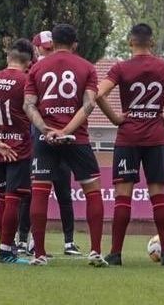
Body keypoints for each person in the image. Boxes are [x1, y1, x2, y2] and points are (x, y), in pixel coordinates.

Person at [22, 23, 108, 267]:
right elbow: (89, 104)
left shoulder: (37, 68)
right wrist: (67, 130)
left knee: (40, 191)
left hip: (45, 138)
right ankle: (95, 251)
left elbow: (28, 105)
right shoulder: (87, 67)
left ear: (54, 42)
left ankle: (38, 253)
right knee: (92, 190)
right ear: (75, 44)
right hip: (77, 137)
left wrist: (45, 130)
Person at [94, 23, 164, 266]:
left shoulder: (121, 68)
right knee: (158, 195)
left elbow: (99, 94)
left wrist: (115, 118)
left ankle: (115, 253)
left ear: (130, 42)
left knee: (123, 196)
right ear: (151, 43)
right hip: (155, 137)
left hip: (128, 137)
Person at [15, 30, 81, 257]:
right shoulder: (33, 71)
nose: (48, 52)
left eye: (51, 48)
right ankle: (24, 239)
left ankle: (68, 242)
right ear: (36, 49)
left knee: (63, 191)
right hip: (40, 138)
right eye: (44, 48)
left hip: (60, 135)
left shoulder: (50, 69)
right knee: (32, 193)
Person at [0, 39, 36, 264]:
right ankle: (5, 251)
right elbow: (33, 113)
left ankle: (6, 247)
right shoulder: (27, 81)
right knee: (12, 200)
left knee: (3, 199)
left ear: (7, 58)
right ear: (29, 62)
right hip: (19, 149)